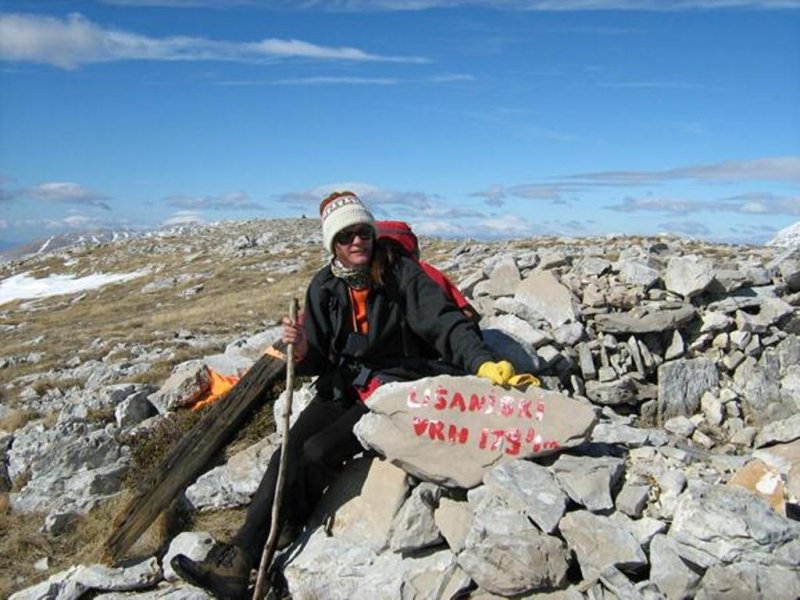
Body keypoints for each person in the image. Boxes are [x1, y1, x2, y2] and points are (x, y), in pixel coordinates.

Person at [171, 191, 530, 599]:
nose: (357, 241)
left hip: (391, 385)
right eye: (345, 237)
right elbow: (320, 356)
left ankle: (284, 529)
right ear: (333, 246)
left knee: (318, 451)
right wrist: (303, 350)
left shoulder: (402, 275)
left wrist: (483, 364)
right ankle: (238, 559)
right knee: (286, 451)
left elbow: (444, 325)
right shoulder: (323, 286)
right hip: (343, 383)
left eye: (363, 232)